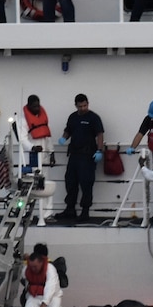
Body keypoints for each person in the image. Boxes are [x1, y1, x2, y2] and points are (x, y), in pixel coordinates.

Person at [57, 93, 104, 222]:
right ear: (76, 105)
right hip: (74, 155)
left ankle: (85, 211)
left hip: (88, 156)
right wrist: (63, 138)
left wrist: (100, 150)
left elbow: (99, 135)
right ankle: (70, 208)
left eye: (85, 105)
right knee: (70, 182)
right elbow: (68, 130)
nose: (83, 108)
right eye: (80, 106)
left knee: (86, 183)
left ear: (88, 103)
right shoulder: (73, 117)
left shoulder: (94, 118)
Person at [21, 242, 63, 307]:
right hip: (35, 295)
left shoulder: (50, 269)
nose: (33, 269)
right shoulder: (26, 269)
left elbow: (50, 288)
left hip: (52, 297)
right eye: (32, 267)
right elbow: (25, 281)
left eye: (35, 267)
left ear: (41, 262)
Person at [21, 93, 51, 169]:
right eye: (34, 107)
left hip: (44, 155)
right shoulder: (23, 121)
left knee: (45, 178)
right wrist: (32, 148)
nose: (37, 108)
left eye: (38, 106)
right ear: (29, 106)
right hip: (32, 155)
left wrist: (51, 152)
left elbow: (47, 136)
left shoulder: (42, 118)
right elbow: (22, 139)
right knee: (34, 178)